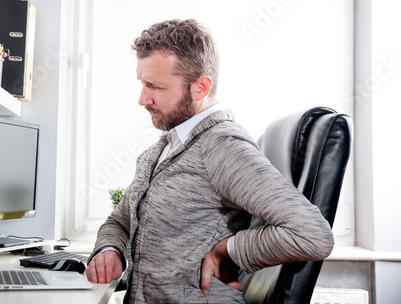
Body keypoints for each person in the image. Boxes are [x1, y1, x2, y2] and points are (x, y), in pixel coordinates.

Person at [85, 19, 334, 303]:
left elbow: (312, 235)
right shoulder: (164, 148)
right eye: (142, 83)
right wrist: (109, 250)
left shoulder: (223, 147)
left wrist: (228, 248)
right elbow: (119, 221)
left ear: (200, 87)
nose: (143, 99)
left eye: (155, 86)